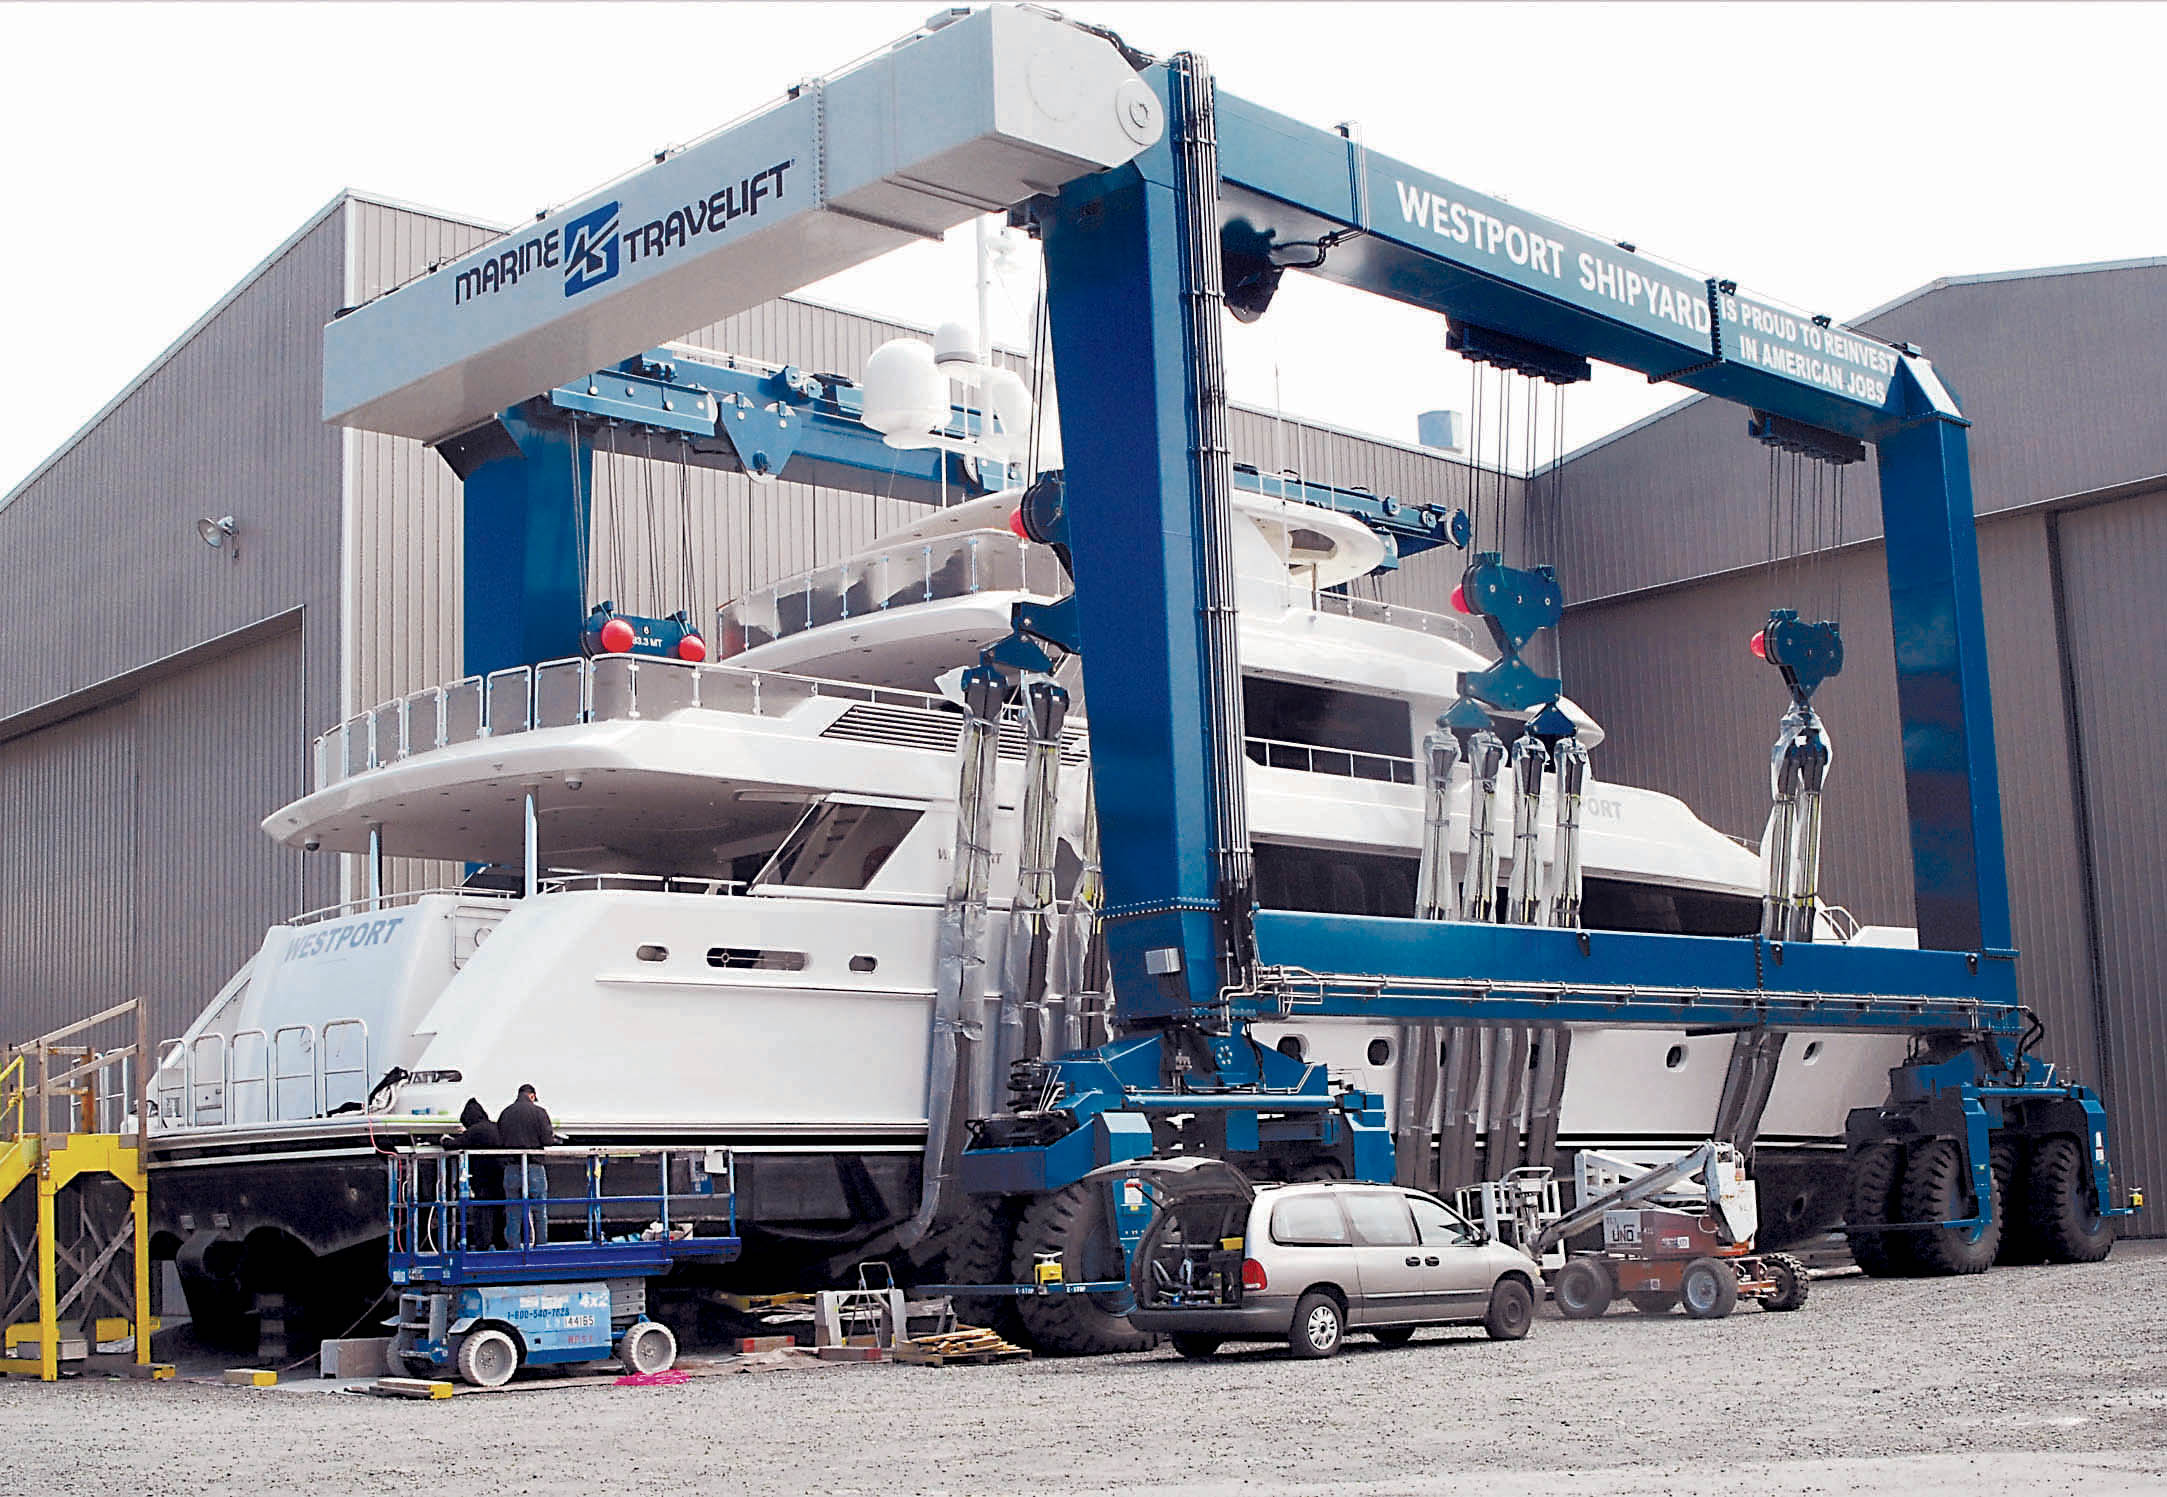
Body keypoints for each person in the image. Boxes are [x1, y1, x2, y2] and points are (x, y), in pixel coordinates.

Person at [496, 1084, 561, 1248]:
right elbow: (547, 1140)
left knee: (513, 1213)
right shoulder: (539, 1112)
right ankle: (541, 1247)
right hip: (534, 1167)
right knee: (539, 1211)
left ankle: (514, 1249)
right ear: (532, 1095)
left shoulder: (506, 1113)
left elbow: (500, 1140)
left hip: (511, 1168)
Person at [439, 1098, 504, 1251]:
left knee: (483, 1215)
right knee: (500, 1213)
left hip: (484, 1181)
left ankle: (483, 1245)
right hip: (500, 1177)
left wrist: (444, 1138)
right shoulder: (494, 1127)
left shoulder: (475, 1131)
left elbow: (452, 1145)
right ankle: (501, 1244)